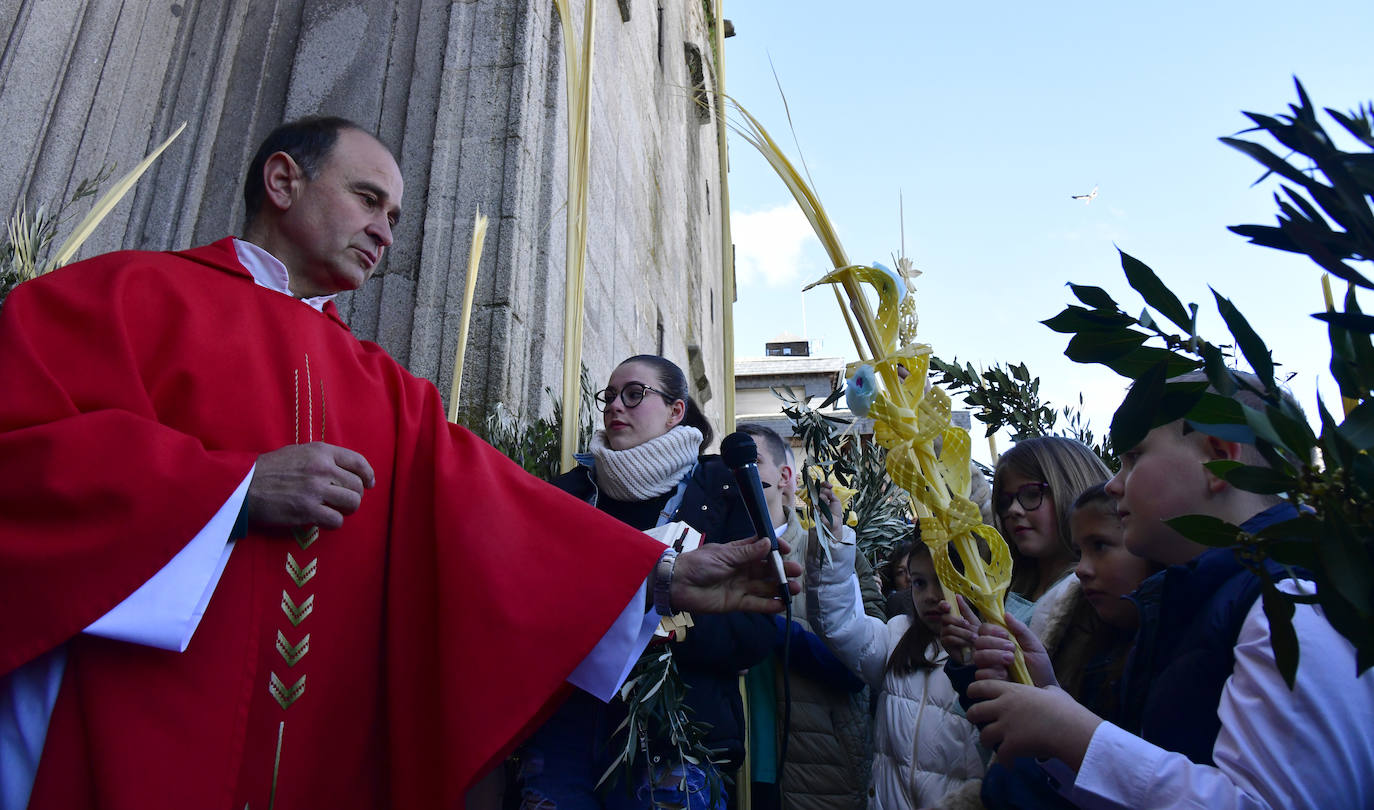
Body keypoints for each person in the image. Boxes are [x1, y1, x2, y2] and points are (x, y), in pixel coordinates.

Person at [0, 117, 799, 810]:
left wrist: (652, 576)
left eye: (397, 215)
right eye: (368, 199)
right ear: (283, 180)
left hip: (319, 755)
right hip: (134, 728)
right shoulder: (125, 295)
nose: (387, 229)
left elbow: (497, 516)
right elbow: (22, 457)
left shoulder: (384, 386)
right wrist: (233, 490)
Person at [965, 375, 1374, 807]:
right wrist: (1049, 702)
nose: (1112, 484)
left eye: (1133, 457)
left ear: (1219, 459)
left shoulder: (1292, 605)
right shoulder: (1188, 604)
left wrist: (1078, 736)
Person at [517, 356, 779, 810]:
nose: (617, 405)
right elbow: (531, 600)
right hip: (568, 730)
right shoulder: (568, 492)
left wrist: (655, 620)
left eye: (635, 394)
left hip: (678, 738)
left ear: (676, 411)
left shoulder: (724, 488)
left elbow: (755, 628)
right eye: (610, 396)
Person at [973, 484, 1158, 809]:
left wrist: (1060, 728)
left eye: (1100, 546)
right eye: (1079, 553)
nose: (1082, 569)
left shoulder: (1167, 658)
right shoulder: (1083, 641)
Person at [736, 423, 884, 810]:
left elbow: (867, 664)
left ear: (785, 476)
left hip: (816, 767)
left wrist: (771, 626)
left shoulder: (833, 551)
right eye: (728, 466)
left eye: (750, 462)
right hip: (732, 767)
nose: (738, 475)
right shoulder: (707, 555)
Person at [808, 526, 986, 810]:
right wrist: (835, 542)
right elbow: (839, 625)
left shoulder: (991, 655)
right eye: (919, 582)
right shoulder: (896, 635)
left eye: (943, 580)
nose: (929, 595)